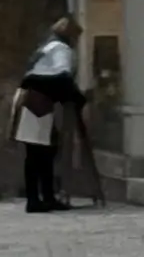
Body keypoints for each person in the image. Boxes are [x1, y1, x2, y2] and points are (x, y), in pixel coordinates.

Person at [18, 14, 104, 210]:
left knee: (37, 153)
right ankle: (40, 198)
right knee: (41, 153)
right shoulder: (60, 50)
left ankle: (41, 197)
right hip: (40, 103)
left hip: (32, 99)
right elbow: (61, 75)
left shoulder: (46, 47)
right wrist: (76, 97)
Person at [9, 69, 59, 211]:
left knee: (38, 158)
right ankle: (37, 199)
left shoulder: (35, 71)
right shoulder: (47, 73)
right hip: (36, 113)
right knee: (38, 158)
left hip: (34, 112)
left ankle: (42, 198)